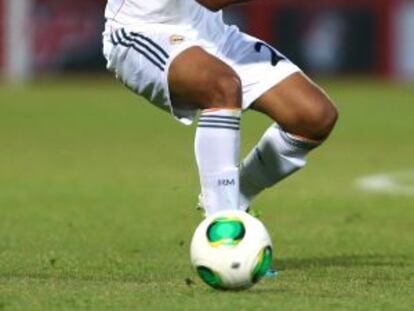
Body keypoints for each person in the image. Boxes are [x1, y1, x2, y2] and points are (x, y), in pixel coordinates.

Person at [102, 0, 338, 216]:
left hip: (215, 36)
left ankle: (235, 197)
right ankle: (223, 224)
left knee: (314, 116)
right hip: (143, 32)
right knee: (222, 87)